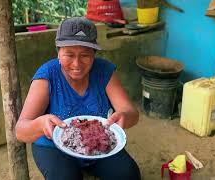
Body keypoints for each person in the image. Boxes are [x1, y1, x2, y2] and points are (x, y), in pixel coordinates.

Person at [16, 17, 141, 180]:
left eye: (85, 55)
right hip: (53, 147)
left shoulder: (104, 71)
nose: (77, 64)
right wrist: (40, 124)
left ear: (94, 55)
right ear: (58, 53)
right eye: (69, 54)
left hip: (97, 142)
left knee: (128, 175)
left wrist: (124, 116)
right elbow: (20, 131)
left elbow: (131, 113)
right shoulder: (47, 76)